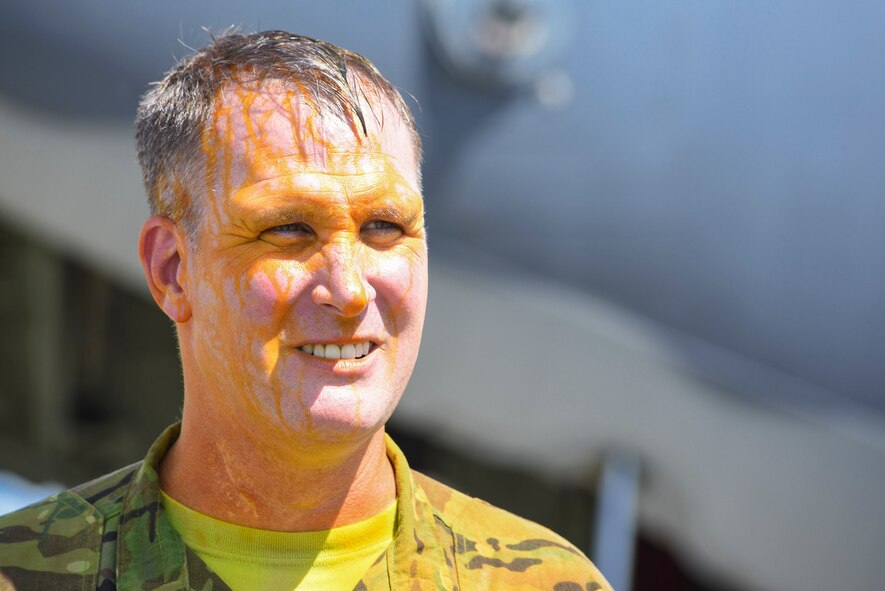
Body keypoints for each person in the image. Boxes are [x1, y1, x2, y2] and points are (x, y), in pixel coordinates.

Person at [0, 31, 611, 591]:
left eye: (385, 227)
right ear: (172, 271)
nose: (349, 291)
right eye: (289, 229)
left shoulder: (543, 580)